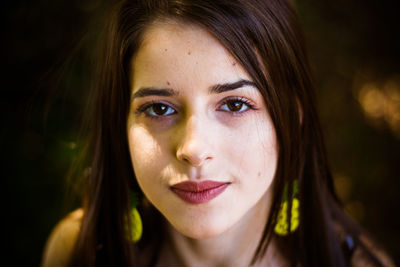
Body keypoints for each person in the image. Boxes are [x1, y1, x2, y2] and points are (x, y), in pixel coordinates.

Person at [42, 0, 395, 266]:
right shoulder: (80, 250)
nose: (194, 149)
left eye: (235, 104)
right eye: (159, 108)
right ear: (120, 121)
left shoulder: (354, 262)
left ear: (292, 114)